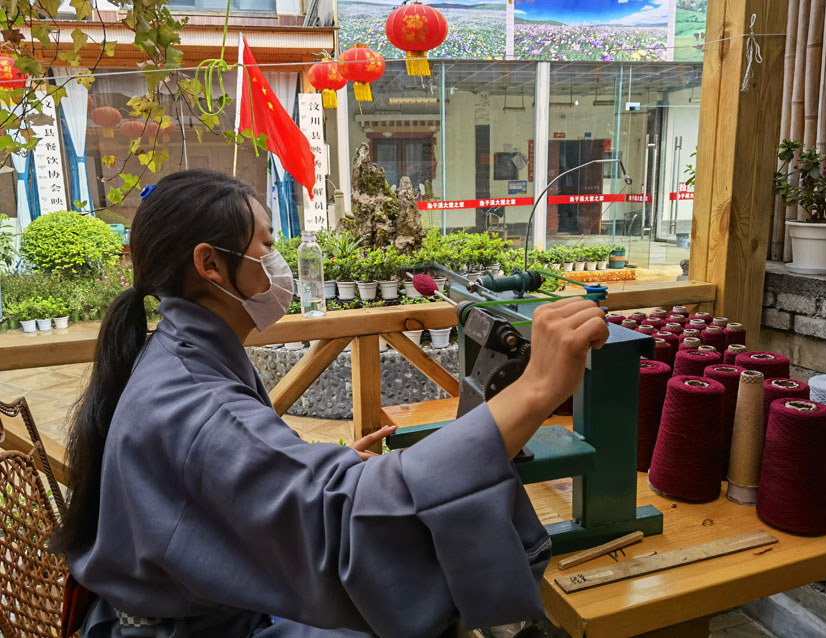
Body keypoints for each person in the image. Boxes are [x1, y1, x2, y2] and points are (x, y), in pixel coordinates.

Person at [53, 169, 609, 638]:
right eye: (266, 246)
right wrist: (537, 388)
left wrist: (323, 463)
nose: (278, 261)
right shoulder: (194, 399)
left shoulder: (181, 352)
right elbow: (341, 520)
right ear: (210, 265)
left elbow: (235, 481)